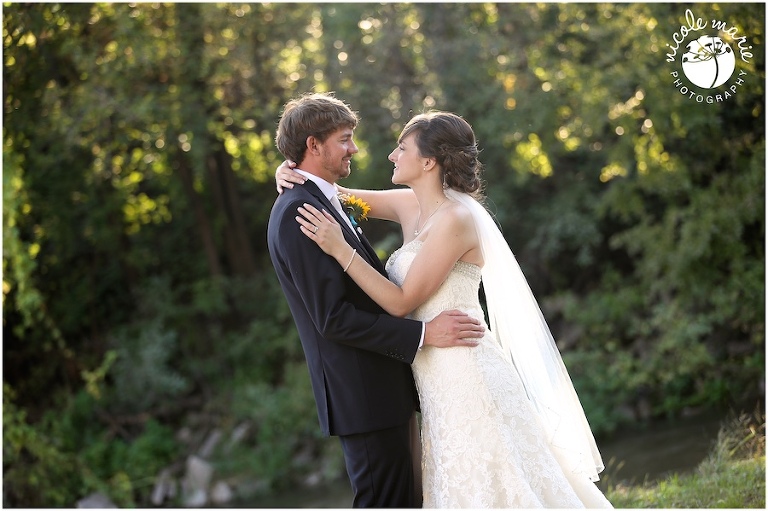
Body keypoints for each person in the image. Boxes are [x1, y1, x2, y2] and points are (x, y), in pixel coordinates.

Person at [278, 111, 613, 508]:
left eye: (401, 148)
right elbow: (329, 196)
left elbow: (401, 303)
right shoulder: (408, 204)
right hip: (432, 378)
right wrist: (287, 172)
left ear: (428, 162)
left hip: (465, 369)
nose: (390, 155)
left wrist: (341, 249)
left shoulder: (455, 218)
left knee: (494, 479)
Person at [266, 94, 485, 508]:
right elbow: (333, 319)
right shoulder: (301, 214)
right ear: (314, 145)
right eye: (346, 139)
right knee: (384, 501)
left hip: (394, 385)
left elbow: (342, 195)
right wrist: (423, 334)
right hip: (362, 391)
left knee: (408, 498)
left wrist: (289, 168)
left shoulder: (326, 201)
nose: (357, 148)